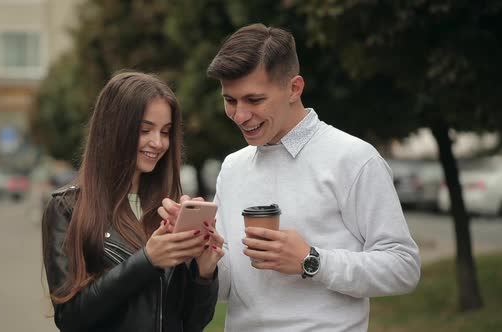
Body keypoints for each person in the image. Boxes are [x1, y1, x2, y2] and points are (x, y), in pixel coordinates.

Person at [159, 24, 421, 331]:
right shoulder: (232, 167)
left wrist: (312, 261)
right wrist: (203, 252)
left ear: (294, 88)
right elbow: (230, 288)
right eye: (230, 100)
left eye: (254, 100)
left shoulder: (354, 158)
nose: (240, 115)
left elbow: (404, 267)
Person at [41, 71, 224, 331]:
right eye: (145, 130)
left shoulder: (169, 209)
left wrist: (204, 273)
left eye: (165, 131)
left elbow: (192, 323)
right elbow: (70, 318)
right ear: (112, 129)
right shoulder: (67, 208)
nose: (158, 143)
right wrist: (148, 260)